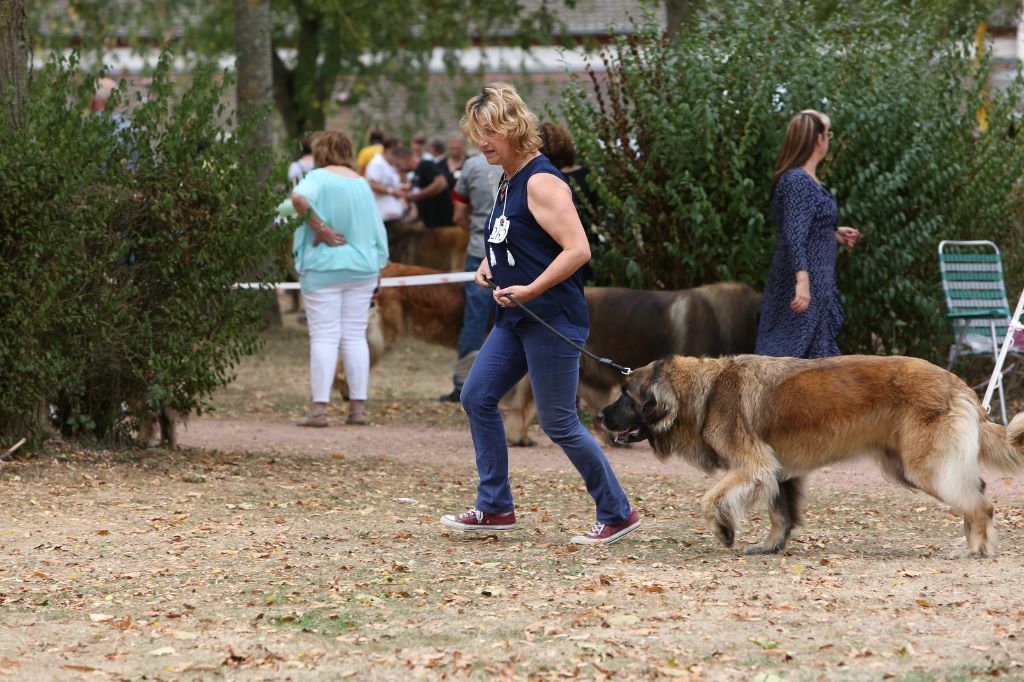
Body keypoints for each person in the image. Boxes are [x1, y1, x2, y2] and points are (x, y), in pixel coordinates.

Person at [439, 82, 641, 545]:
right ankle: (495, 507)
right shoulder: (507, 178)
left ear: (515, 127)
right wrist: (491, 266)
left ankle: (617, 512)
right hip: (516, 317)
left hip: (552, 317)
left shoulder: (542, 180)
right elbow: (513, 239)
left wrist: (529, 288)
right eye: (477, 133)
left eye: (490, 131)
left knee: (558, 422)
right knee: (476, 396)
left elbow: (578, 249)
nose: (483, 142)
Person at [289, 130, 390, 427]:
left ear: (321, 151)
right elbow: (377, 230)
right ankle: (357, 408)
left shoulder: (318, 177)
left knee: (324, 335)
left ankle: (320, 409)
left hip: (323, 267)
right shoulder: (361, 183)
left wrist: (321, 228)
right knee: (354, 336)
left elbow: (298, 199)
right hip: (363, 267)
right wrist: (379, 266)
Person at [755, 110, 861, 359]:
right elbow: (793, 234)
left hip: (817, 286)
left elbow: (805, 227)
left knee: (816, 364)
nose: (829, 139)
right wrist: (802, 282)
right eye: (829, 134)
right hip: (803, 290)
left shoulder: (808, 181)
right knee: (788, 360)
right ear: (818, 139)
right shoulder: (797, 182)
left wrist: (833, 233)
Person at [438, 149, 503, 402]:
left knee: (474, 320)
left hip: (480, 250)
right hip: (514, 254)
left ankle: (463, 383)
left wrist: (479, 230)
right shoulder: (524, 164)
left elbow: (458, 214)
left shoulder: (472, 166)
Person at [364, 138, 414, 233]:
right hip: (382, 216)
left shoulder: (392, 164)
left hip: (395, 214)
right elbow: (372, 184)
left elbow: (402, 181)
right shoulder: (377, 163)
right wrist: (392, 192)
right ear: (389, 149)